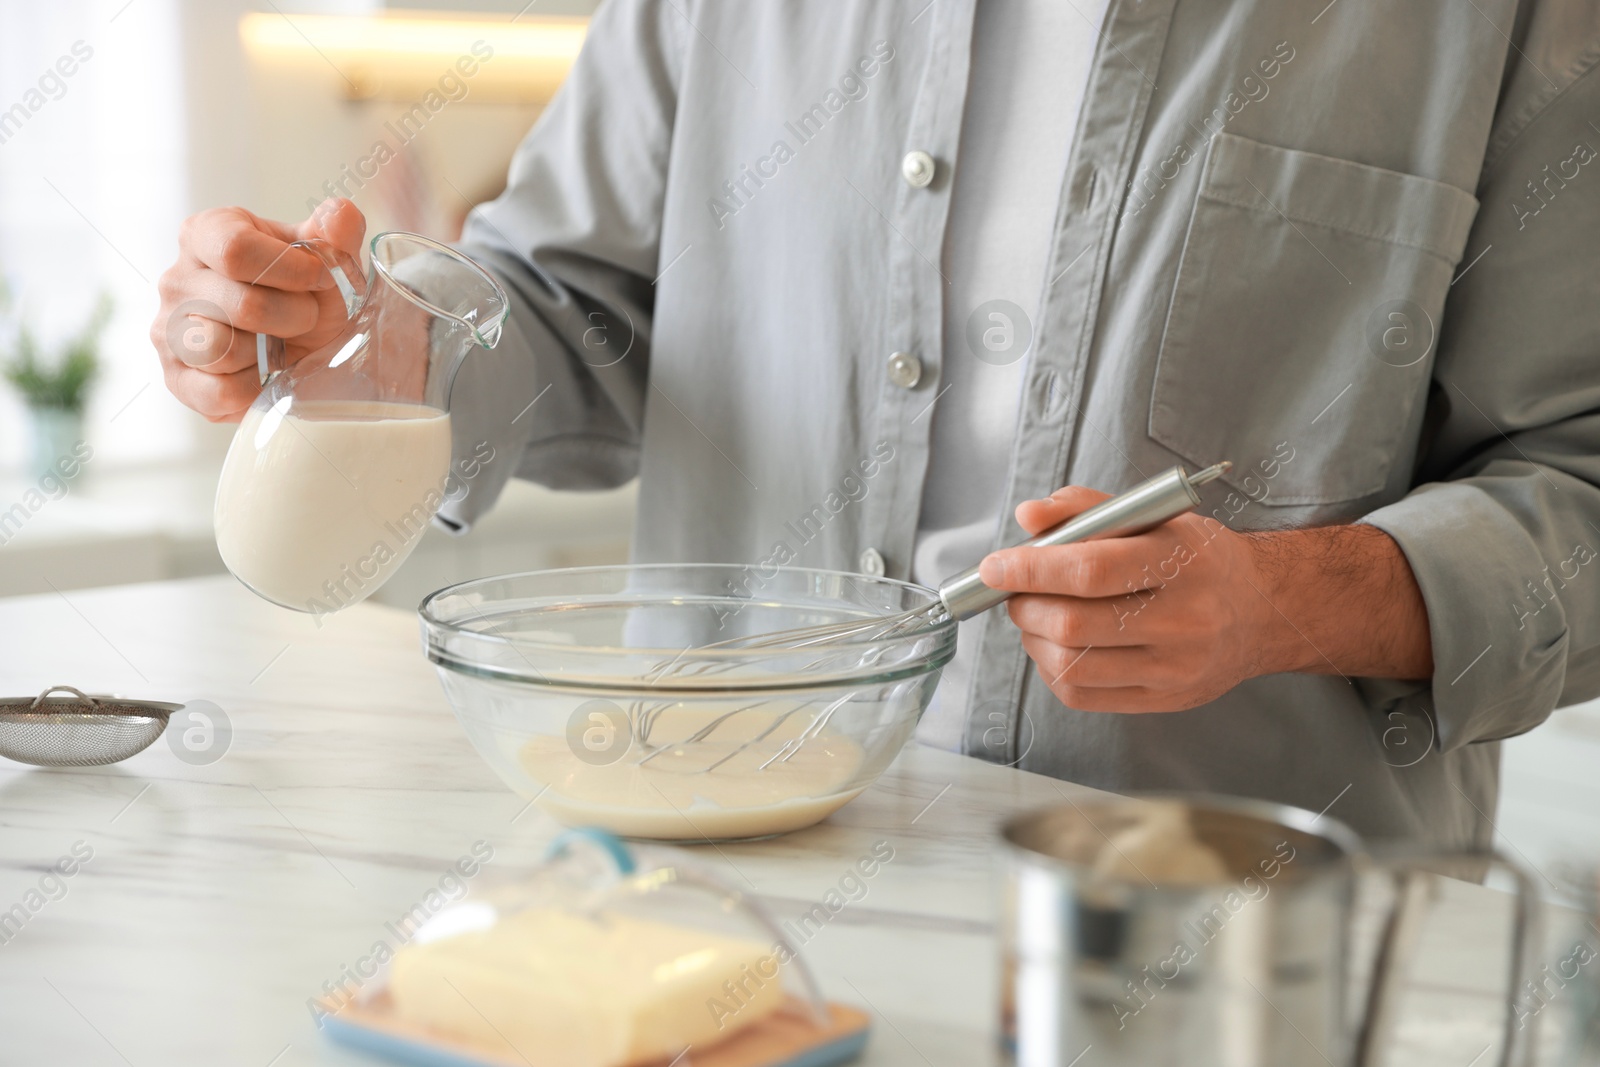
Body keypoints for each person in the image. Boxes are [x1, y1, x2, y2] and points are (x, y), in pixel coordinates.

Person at [151, 0, 1600, 850]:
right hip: (727, 915)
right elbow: (577, 303)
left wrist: (1281, 603)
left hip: (1227, 951)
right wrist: (388, 342)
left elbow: (1578, 481)